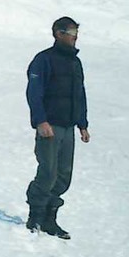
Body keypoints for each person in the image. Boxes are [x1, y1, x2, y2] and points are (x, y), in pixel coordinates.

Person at [25, 16, 90, 239]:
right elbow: (34, 92)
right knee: (48, 173)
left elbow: (79, 94)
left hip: (68, 126)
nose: (75, 37)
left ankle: (50, 219)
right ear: (58, 33)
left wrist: (82, 123)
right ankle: (35, 216)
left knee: (64, 175)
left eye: (76, 32)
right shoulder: (43, 60)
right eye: (70, 32)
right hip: (49, 126)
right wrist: (41, 120)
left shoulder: (75, 62)